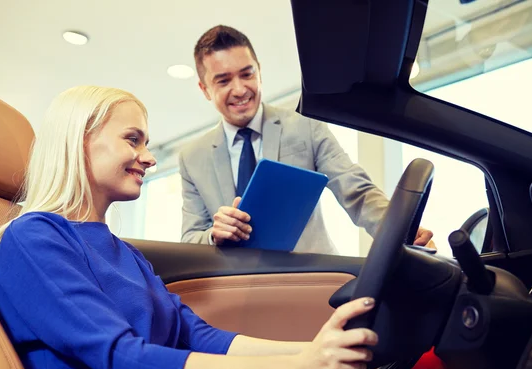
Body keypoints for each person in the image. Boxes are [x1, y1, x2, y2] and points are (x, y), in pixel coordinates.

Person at [0, 86, 447, 369]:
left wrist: (310, 353)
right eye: (133, 139)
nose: (148, 157)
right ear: (80, 140)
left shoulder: (124, 252)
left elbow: (199, 338)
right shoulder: (32, 240)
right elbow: (123, 362)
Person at [179, 25, 434, 254]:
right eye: (223, 81)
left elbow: (356, 190)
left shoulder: (305, 125)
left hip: (308, 279)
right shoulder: (192, 157)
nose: (239, 89)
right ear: (205, 89)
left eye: (247, 74)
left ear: (259, 73)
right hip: (237, 288)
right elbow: (190, 237)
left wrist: (400, 230)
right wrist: (214, 234)